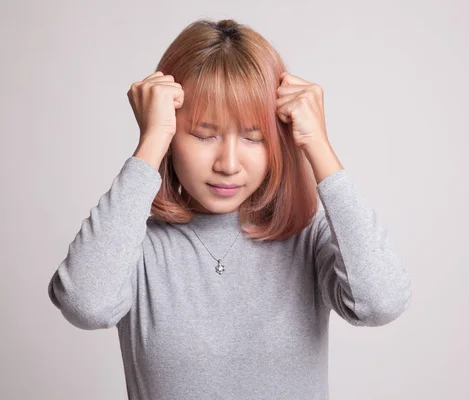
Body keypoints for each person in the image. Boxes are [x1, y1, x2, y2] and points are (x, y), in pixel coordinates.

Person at [47, 18, 412, 400]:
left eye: (254, 138)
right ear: (172, 133)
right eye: (205, 135)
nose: (229, 163)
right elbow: (85, 305)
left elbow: (380, 303)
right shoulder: (135, 247)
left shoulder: (309, 239)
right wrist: (151, 141)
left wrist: (317, 143)